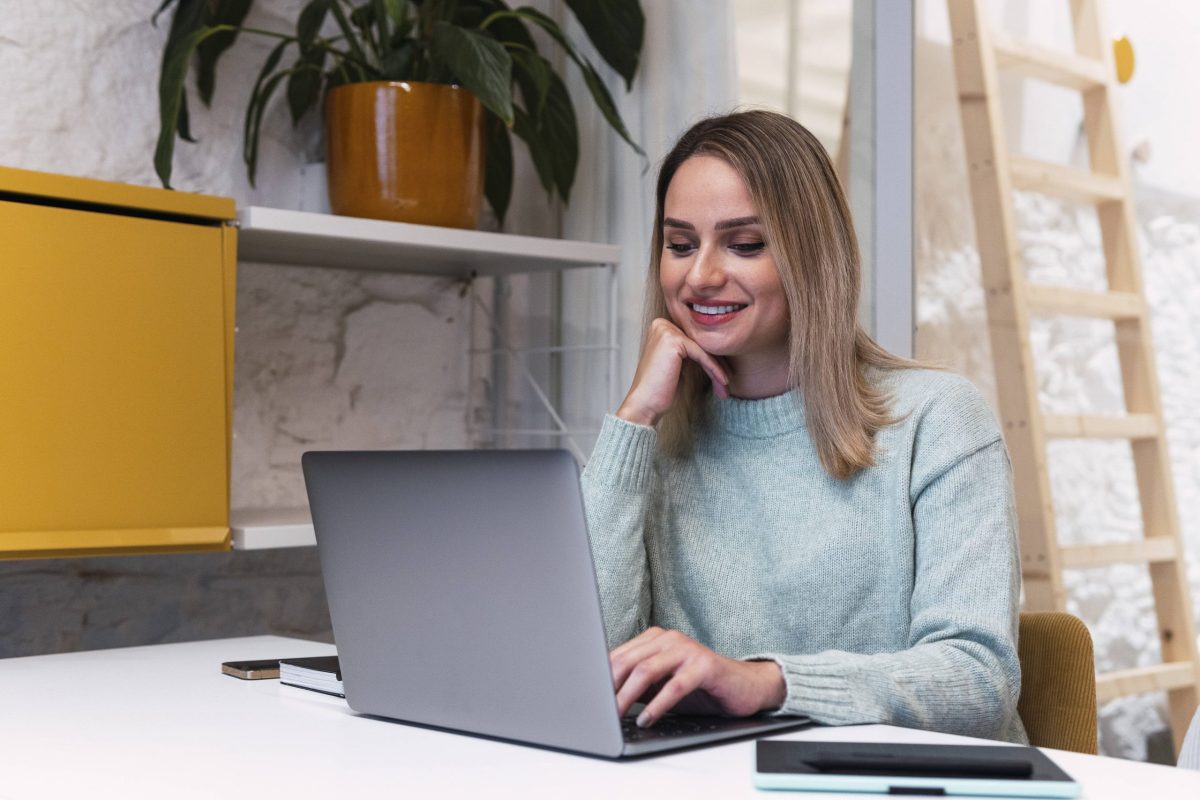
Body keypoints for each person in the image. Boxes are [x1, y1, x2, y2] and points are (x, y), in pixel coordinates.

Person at [580, 109, 1027, 744]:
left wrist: (769, 681)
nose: (700, 274)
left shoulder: (937, 419)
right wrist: (634, 421)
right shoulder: (653, 445)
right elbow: (594, 673)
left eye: (745, 244)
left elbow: (978, 679)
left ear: (810, 256)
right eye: (680, 245)